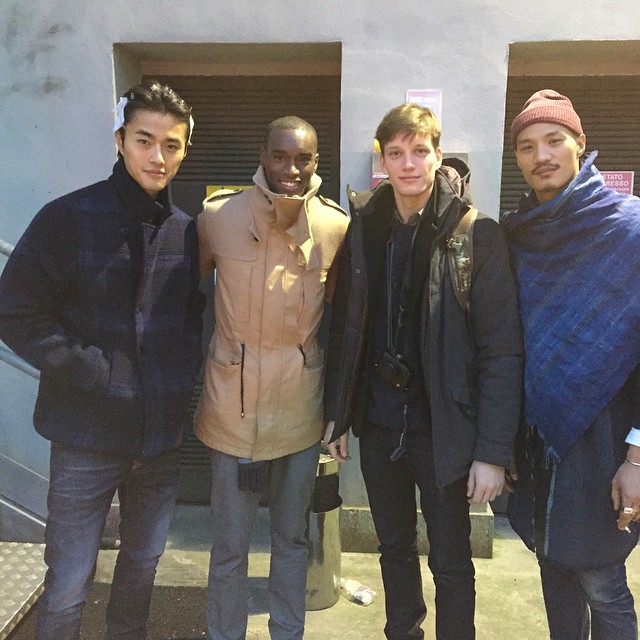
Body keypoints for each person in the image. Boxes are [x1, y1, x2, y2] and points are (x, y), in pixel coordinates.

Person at [0, 81, 205, 640]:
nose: (158, 156)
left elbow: (193, 320)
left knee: (141, 569)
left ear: (185, 150)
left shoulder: (186, 231)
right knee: (68, 578)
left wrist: (178, 378)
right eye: (145, 140)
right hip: (85, 433)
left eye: (172, 144)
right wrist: (93, 371)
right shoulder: (67, 218)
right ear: (120, 140)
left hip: (160, 438)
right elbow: (14, 311)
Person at [323, 103, 523, 640]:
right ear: (383, 160)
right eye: (395, 153)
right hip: (382, 423)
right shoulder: (365, 226)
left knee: (453, 562)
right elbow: (346, 326)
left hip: (447, 433)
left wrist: (490, 452)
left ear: (438, 155)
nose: (407, 164)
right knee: (392, 549)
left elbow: (501, 352)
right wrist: (338, 416)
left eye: (419, 151)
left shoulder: (476, 234)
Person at [195, 115, 349, 640]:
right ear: (262, 155)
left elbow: (345, 320)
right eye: (280, 156)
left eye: (302, 158)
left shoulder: (334, 226)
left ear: (316, 162)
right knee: (229, 547)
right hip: (230, 408)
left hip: (300, 409)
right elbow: (183, 296)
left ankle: (287, 631)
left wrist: (340, 410)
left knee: (291, 540)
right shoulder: (217, 217)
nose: (290, 168)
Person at [504, 89, 640, 640]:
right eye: (527, 146)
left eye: (554, 140)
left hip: (606, 443)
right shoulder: (517, 238)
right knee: (551, 565)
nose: (542, 155)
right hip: (539, 441)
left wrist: (638, 458)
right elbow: (509, 349)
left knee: (601, 581)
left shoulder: (630, 230)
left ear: (580, 145)